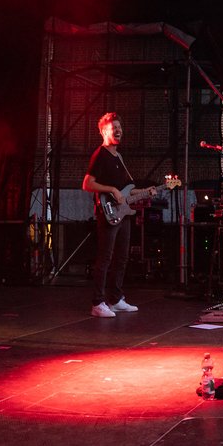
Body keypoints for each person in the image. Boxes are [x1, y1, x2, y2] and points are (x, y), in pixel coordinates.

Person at [81, 113, 145, 318]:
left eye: (120, 127)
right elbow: (87, 184)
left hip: (122, 213)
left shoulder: (119, 157)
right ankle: (98, 303)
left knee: (122, 257)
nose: (118, 130)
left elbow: (125, 190)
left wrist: (148, 190)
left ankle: (116, 299)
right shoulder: (100, 154)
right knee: (105, 258)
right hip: (107, 213)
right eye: (113, 127)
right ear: (103, 132)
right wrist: (111, 190)